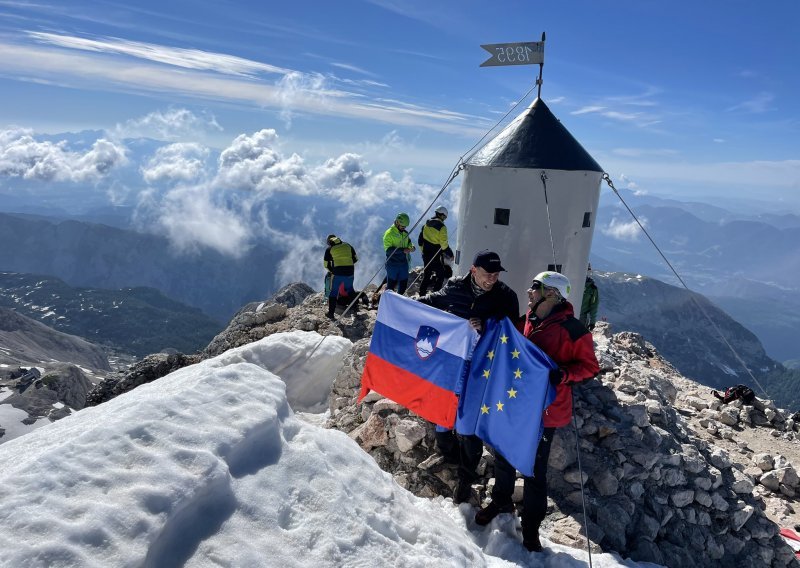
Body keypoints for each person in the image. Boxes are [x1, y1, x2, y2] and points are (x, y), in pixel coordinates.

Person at [474, 270, 599, 552]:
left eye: (535, 287)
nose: (529, 292)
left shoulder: (574, 330)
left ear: (551, 294)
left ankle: (531, 527)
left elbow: (590, 367)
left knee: (533, 469)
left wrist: (563, 375)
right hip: (517, 404)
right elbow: (508, 339)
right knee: (504, 455)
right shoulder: (528, 320)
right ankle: (501, 499)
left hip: (546, 411)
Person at [418, 250, 519, 503]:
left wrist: (486, 328)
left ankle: (465, 477)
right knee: (443, 413)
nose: (492, 279)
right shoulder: (455, 287)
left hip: (482, 371)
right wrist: (402, 303)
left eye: (496, 275)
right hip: (451, 366)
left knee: (469, 424)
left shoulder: (506, 296)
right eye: (488, 274)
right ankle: (448, 454)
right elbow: (432, 301)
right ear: (474, 270)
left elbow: (514, 333)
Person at [418, 205, 454, 296]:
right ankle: (435, 295)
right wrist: (451, 254)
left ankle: (421, 295)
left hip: (426, 254)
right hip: (435, 255)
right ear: (442, 215)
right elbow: (444, 245)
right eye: (445, 217)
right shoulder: (442, 227)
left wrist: (423, 251)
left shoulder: (426, 224)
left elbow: (420, 240)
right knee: (441, 274)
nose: (444, 219)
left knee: (427, 275)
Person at [323, 234, 358, 320]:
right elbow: (356, 259)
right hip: (350, 272)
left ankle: (331, 313)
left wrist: (333, 270)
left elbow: (326, 265)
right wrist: (347, 264)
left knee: (334, 292)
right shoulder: (348, 245)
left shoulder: (329, 249)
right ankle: (354, 308)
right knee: (350, 289)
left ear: (329, 242)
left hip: (337, 274)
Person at [383, 213, 415, 295]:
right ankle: (388, 303)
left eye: (405, 227)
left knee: (403, 285)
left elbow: (409, 242)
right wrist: (403, 250)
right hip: (392, 264)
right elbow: (388, 250)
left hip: (403, 263)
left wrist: (411, 247)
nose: (404, 228)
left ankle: (398, 301)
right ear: (397, 222)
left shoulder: (405, 233)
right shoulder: (389, 233)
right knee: (391, 286)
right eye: (402, 226)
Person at [580, 263, 599, 330]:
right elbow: (594, 305)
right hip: (578, 317)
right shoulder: (592, 288)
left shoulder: (592, 288)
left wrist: (592, 322)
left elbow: (594, 305)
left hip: (582, 318)